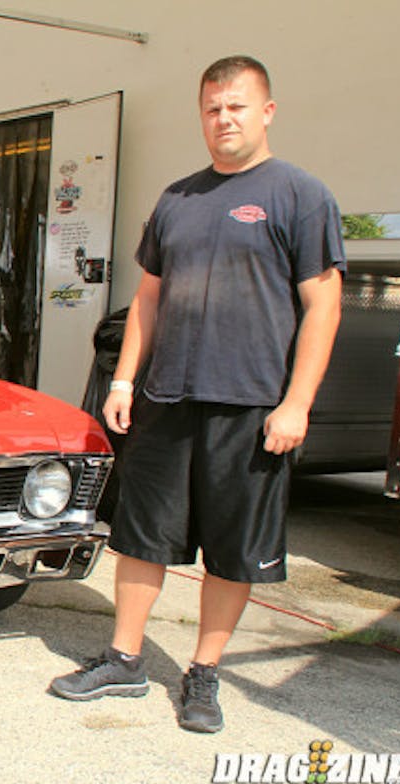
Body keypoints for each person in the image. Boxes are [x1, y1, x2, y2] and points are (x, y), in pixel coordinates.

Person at [48, 55, 345, 733]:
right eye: (212, 108)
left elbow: (324, 308)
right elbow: (148, 299)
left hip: (252, 408)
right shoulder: (177, 199)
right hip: (168, 399)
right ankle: (124, 659)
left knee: (232, 549)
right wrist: (124, 379)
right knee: (141, 537)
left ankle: (203, 673)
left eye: (237, 106)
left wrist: (296, 403)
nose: (223, 119)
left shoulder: (301, 195)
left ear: (267, 111)